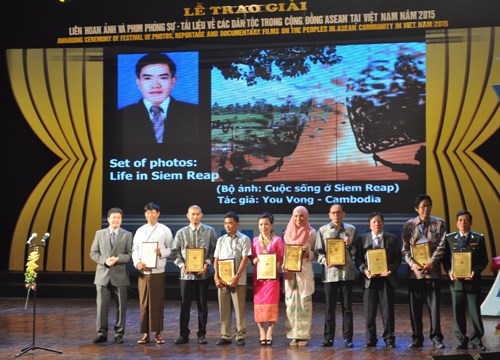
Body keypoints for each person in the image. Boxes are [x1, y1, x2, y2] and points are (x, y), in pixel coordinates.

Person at [118, 52, 198, 145]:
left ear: (173, 81)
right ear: (138, 82)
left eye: (163, 78)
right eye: (147, 78)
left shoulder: (195, 113)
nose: (155, 85)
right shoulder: (120, 117)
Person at [402, 194, 446, 349]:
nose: (426, 209)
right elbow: (405, 250)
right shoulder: (408, 225)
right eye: (422, 206)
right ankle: (417, 338)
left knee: (434, 308)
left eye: (428, 205)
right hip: (415, 274)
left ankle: (436, 338)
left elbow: (442, 247)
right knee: (415, 308)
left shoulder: (439, 223)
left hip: (433, 273)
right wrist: (413, 265)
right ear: (416, 209)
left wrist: (431, 262)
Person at [171, 205, 217, 345]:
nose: (195, 217)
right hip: (186, 275)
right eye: (192, 214)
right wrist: (181, 265)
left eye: (197, 214)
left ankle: (201, 334)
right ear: (188, 215)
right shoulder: (181, 232)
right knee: (185, 305)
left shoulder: (210, 231)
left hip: (203, 274)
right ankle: (183, 335)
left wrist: (207, 263)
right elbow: (175, 252)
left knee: (202, 305)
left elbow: (214, 251)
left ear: (201, 215)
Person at [443, 210, 488, 351]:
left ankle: (476, 340)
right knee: (458, 313)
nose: (463, 223)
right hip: (456, 283)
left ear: (471, 223)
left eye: (466, 220)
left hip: (473, 282)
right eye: (460, 220)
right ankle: (461, 340)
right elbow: (445, 260)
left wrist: (475, 271)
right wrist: (449, 272)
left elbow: (484, 260)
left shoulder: (479, 238)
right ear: (457, 223)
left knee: (475, 313)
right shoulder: (449, 238)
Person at [354, 212, 401, 348]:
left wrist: (390, 269)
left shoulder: (391, 239)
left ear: (383, 223)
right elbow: (358, 259)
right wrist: (364, 270)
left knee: (388, 312)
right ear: (369, 225)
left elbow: (398, 258)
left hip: (387, 279)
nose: (377, 224)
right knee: (369, 312)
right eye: (374, 222)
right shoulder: (362, 239)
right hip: (370, 280)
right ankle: (371, 339)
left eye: (379, 221)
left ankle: (389, 339)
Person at [315, 203, 358, 348]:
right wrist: (325, 261)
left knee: (347, 308)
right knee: (329, 308)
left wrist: (349, 245)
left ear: (343, 214)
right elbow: (319, 252)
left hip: (347, 274)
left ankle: (348, 338)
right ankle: (329, 338)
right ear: (329, 215)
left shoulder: (351, 230)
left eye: (339, 212)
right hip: (329, 275)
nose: (336, 215)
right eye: (333, 213)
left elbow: (356, 253)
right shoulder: (322, 230)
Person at [89, 207, 133, 344]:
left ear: (121, 219)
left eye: (118, 218)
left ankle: (119, 334)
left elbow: (131, 254)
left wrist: (118, 259)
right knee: (101, 306)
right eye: (113, 217)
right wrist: (104, 260)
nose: (116, 220)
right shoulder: (99, 233)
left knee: (121, 307)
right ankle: (102, 333)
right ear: (108, 219)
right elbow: (93, 252)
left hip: (120, 276)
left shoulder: (127, 234)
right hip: (102, 276)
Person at [131, 202, 173, 345]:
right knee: (143, 303)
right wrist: (137, 263)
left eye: (153, 212)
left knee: (157, 303)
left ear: (158, 214)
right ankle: (145, 333)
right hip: (143, 271)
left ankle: (158, 333)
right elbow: (134, 250)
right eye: (147, 213)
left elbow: (172, 249)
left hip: (157, 271)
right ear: (145, 215)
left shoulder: (165, 230)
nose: (150, 215)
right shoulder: (140, 230)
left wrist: (162, 252)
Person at [213, 211, 252, 346]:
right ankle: (225, 336)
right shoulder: (220, 240)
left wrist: (237, 276)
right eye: (225, 223)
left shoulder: (244, 239)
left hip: (238, 280)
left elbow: (245, 259)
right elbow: (216, 259)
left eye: (230, 223)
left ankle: (240, 336)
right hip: (223, 280)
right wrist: (216, 276)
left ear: (237, 223)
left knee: (239, 309)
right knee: (224, 308)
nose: (227, 226)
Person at [283, 206, 316, 347]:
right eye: (296, 216)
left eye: (301, 216)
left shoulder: (311, 233)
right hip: (290, 272)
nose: (298, 219)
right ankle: (293, 335)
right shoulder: (287, 233)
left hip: (304, 272)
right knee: (290, 304)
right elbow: (284, 254)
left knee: (304, 303)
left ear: (306, 217)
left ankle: (303, 335)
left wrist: (308, 252)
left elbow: (316, 253)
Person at [251, 212, 284, 346]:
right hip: (258, 279)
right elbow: (252, 259)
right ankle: (261, 331)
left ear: (271, 225)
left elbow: (280, 257)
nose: (263, 227)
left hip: (272, 278)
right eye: (260, 224)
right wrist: (255, 260)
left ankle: (270, 331)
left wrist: (273, 268)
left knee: (271, 304)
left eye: (266, 224)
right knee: (258, 304)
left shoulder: (277, 240)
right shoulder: (254, 241)